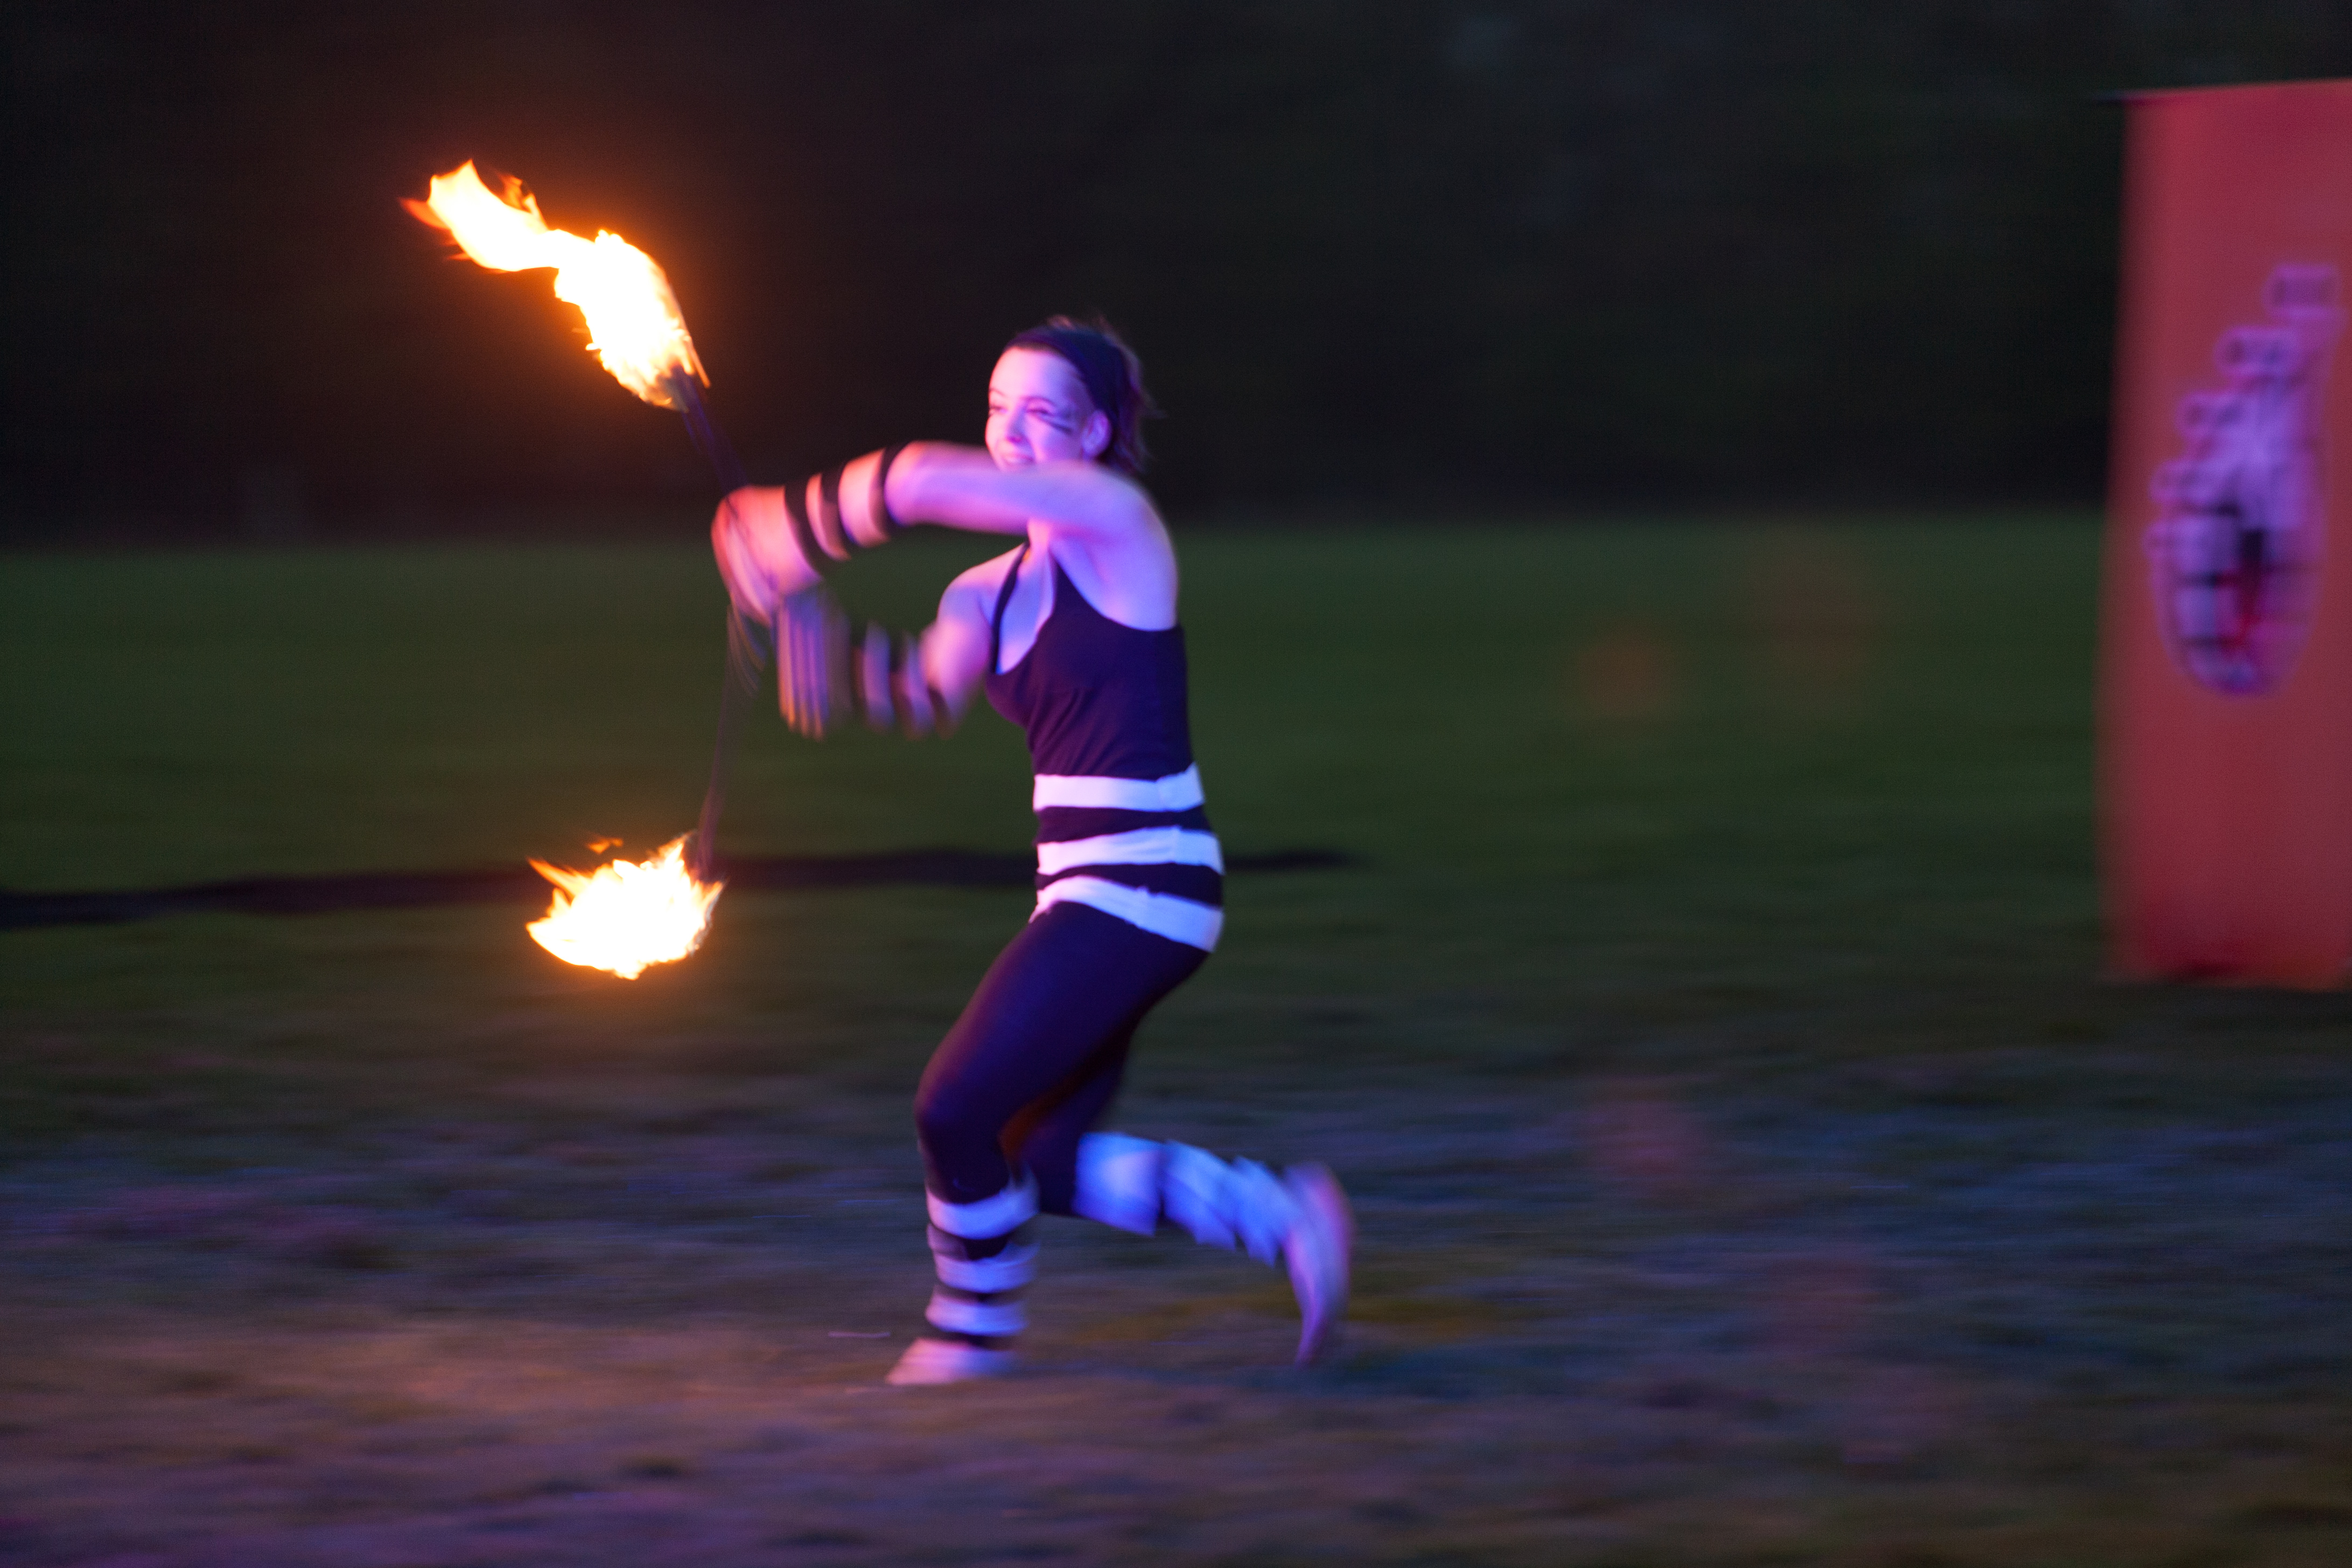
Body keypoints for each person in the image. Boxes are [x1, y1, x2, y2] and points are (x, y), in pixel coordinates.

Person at [709, 317, 1352, 1385]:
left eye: (1043, 414)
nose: (1011, 435)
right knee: (1034, 1157)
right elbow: (923, 694)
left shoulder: (1119, 527)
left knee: (952, 1107)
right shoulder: (985, 591)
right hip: (1085, 898)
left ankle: (970, 1332)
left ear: (1094, 434)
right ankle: (1280, 1214)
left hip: (1144, 883)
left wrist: (795, 523)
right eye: (998, 410)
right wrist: (824, 641)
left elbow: (921, 481)